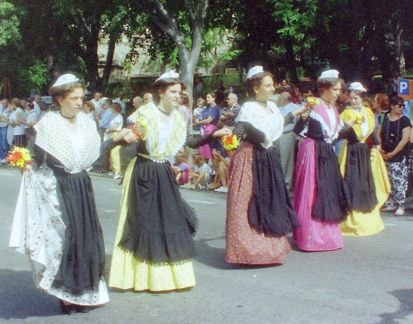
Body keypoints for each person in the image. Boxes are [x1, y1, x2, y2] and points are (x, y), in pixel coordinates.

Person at [9, 74, 109, 314]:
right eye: (74, 98)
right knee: (68, 240)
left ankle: (86, 289)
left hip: (82, 185)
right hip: (59, 186)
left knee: (88, 237)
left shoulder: (87, 122)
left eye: (81, 98)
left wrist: (117, 140)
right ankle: (67, 292)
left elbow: (96, 151)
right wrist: (24, 162)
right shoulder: (47, 125)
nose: (79, 102)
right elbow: (35, 155)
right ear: (60, 99)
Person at [109, 71, 197, 292]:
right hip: (144, 171)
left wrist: (213, 136)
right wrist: (119, 142)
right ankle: (138, 278)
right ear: (161, 92)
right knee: (144, 223)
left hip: (163, 171)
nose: (178, 96)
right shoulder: (145, 114)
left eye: (179, 92)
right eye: (173, 92)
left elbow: (190, 141)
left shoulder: (178, 117)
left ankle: (172, 278)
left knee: (169, 220)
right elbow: (128, 140)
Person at [225, 66, 298, 265]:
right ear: (255, 88)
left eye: (272, 85)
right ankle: (247, 250)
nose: (272, 88)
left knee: (270, 199)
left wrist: (296, 114)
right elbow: (240, 131)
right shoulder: (248, 108)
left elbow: (276, 127)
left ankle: (270, 249)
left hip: (268, 156)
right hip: (250, 156)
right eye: (267, 85)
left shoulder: (273, 107)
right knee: (247, 201)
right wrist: (231, 136)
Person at [293, 69, 350, 251]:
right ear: (324, 88)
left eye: (339, 90)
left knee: (327, 190)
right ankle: (310, 237)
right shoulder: (314, 105)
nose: (337, 93)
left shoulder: (332, 107)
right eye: (335, 89)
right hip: (313, 151)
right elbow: (298, 129)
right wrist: (303, 118)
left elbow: (334, 134)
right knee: (314, 190)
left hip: (326, 151)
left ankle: (326, 235)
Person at [338, 82, 390, 236]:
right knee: (352, 181)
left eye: (357, 98)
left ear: (362, 98)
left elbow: (371, 132)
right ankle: (350, 217)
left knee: (365, 182)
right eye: (352, 98)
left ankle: (366, 214)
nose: (354, 101)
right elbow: (340, 134)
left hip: (364, 151)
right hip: (352, 151)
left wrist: (377, 145)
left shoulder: (367, 111)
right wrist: (348, 126)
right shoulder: (346, 113)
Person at [378, 96, 411, 216]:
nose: (402, 107)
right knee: (388, 179)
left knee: (399, 179)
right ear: (392, 106)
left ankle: (400, 204)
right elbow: (379, 134)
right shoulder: (383, 117)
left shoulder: (405, 121)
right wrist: (380, 149)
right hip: (384, 152)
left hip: (399, 154)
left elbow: (404, 139)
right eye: (400, 105)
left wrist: (393, 153)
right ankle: (390, 202)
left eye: (403, 105)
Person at [0, 99, 10, 163]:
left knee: (4, 142)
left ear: (7, 103)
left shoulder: (9, 110)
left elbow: (9, 119)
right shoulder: (0, 107)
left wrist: (3, 118)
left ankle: (5, 157)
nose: (3, 104)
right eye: (2, 103)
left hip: (4, 126)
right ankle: (1, 157)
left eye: (5, 103)